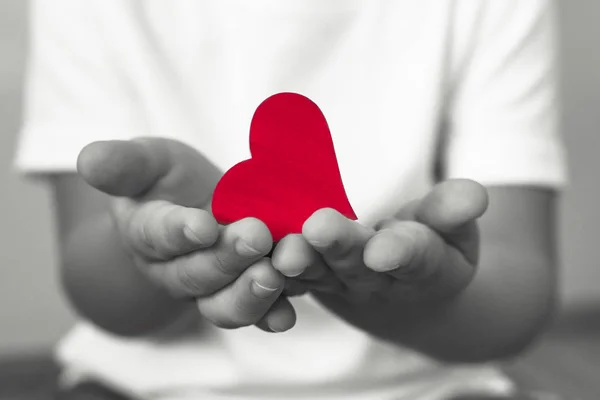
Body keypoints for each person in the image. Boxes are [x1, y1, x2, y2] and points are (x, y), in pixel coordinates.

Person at [14, 0, 568, 399]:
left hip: (432, 386)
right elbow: (95, 287)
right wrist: (160, 250)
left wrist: (424, 303)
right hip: (137, 385)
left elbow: (516, 300)